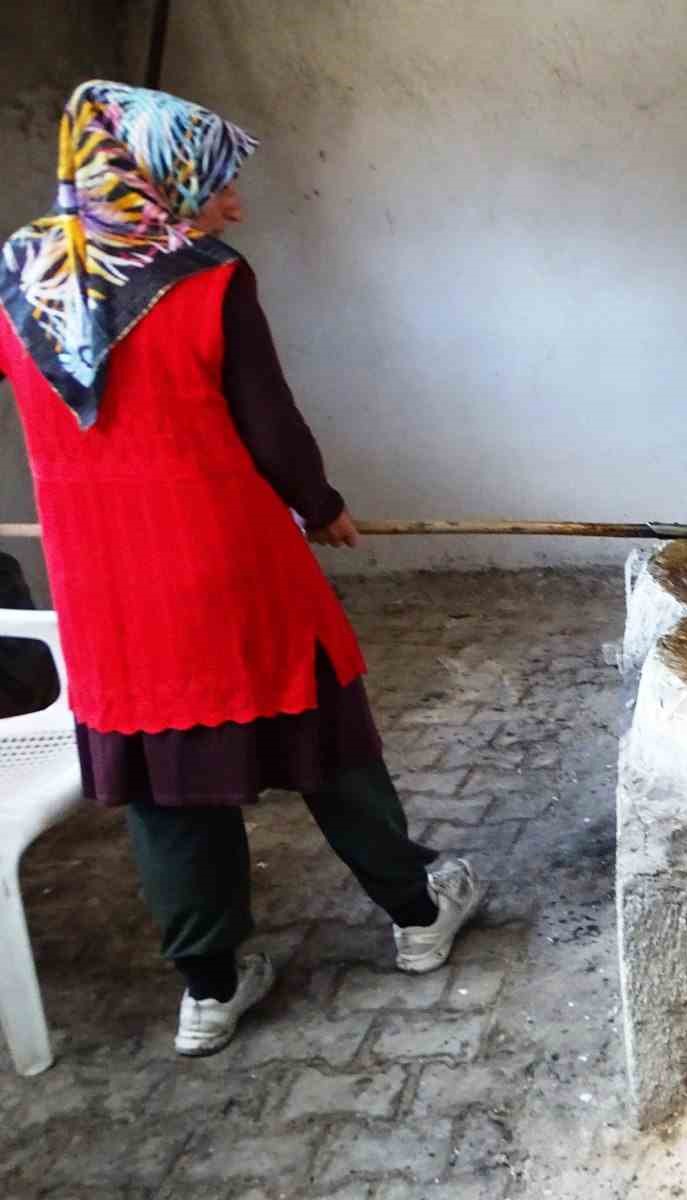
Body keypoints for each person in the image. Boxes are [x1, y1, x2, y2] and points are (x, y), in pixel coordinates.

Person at [0, 81, 483, 1056]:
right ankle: (419, 916)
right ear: (161, 184)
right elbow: (271, 431)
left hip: (105, 593)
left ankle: (210, 990)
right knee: (329, 746)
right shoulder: (208, 282)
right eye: (214, 185)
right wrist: (322, 506)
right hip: (229, 568)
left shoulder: (19, 279)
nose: (233, 205)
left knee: (165, 783)